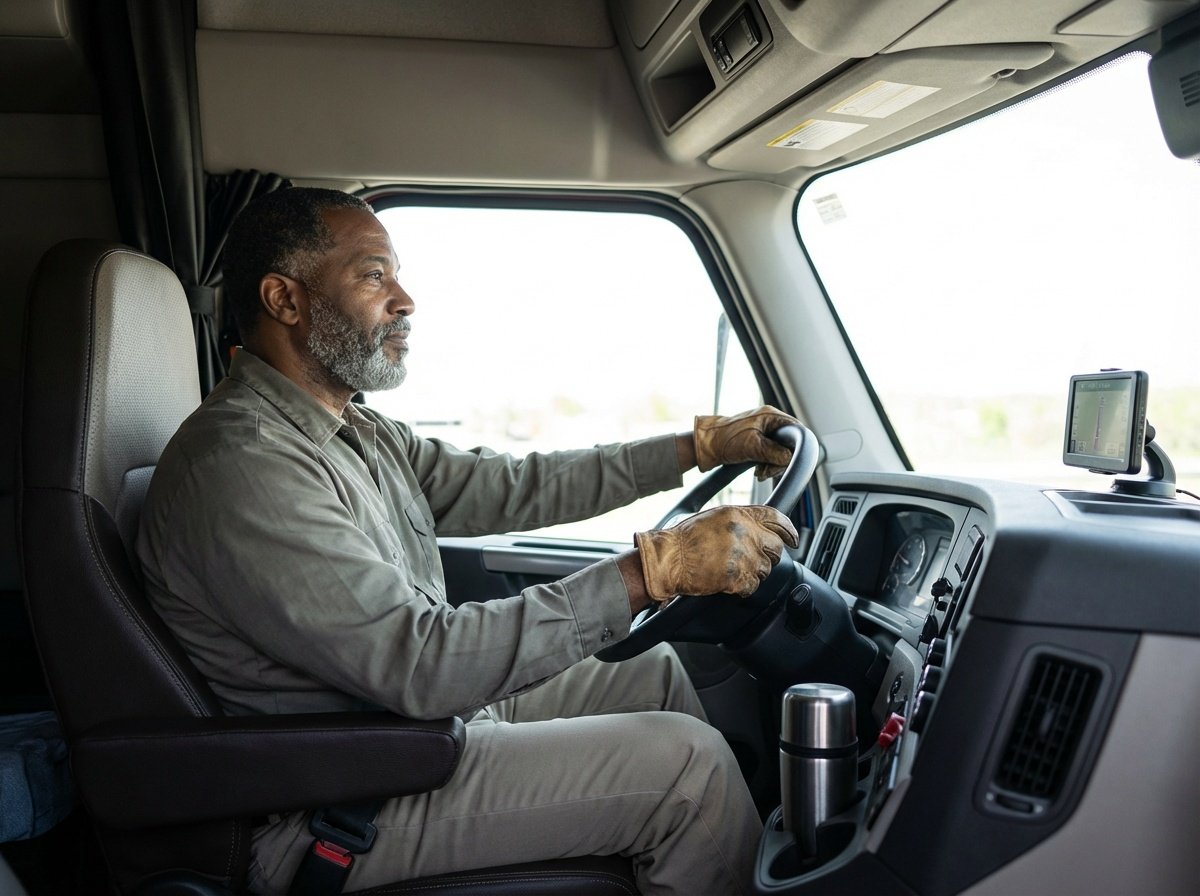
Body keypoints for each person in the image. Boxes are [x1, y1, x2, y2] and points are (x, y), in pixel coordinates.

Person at [137, 187, 802, 895]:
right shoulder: (246, 466)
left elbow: (510, 485)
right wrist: (655, 571)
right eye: (373, 275)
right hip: (340, 796)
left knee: (656, 673)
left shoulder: (350, 429)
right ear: (286, 299)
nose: (405, 300)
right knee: (687, 769)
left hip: (403, 735)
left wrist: (694, 447)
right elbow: (420, 662)